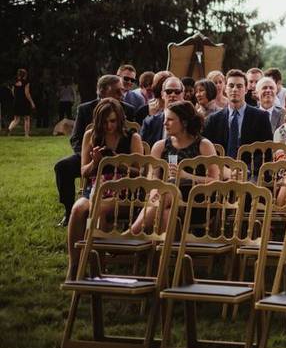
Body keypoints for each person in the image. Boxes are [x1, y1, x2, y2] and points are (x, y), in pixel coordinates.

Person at [65, 98, 143, 280]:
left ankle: (98, 264)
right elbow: (84, 171)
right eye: (105, 122)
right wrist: (96, 162)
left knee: (97, 208)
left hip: (123, 192)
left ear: (120, 119)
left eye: (113, 121)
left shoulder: (132, 137)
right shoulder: (91, 136)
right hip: (94, 188)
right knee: (77, 209)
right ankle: (75, 264)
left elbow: (140, 171)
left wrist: (118, 162)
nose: (109, 126)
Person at [54, 75, 135, 226]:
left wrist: (116, 159)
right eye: (117, 92)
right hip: (91, 152)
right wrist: (89, 153)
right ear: (103, 91)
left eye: (122, 92)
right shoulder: (85, 109)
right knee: (62, 166)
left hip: (122, 157)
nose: (121, 95)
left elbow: (133, 140)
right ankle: (68, 210)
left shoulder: (128, 110)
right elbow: (76, 138)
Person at [132, 101, 217, 236]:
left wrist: (186, 176)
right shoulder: (160, 146)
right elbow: (152, 176)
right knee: (167, 212)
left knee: (170, 190)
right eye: (165, 119)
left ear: (184, 122)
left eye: (170, 120)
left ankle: (132, 233)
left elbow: (215, 181)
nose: (165, 123)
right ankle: (164, 255)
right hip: (162, 199)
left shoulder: (203, 145)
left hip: (196, 201)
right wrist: (154, 190)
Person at [202, 69, 273, 158]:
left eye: (239, 86)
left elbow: (267, 151)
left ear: (246, 89)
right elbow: (207, 152)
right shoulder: (213, 120)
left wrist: (247, 170)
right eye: (231, 86)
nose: (235, 89)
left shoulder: (261, 117)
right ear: (225, 89)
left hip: (250, 169)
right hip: (221, 169)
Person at [140, 76, 186, 146]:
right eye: (168, 91)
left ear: (183, 94)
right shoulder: (150, 123)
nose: (173, 95)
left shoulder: (191, 121)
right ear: (162, 94)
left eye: (177, 92)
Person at [8, 68, 35, 136]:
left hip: (16, 101)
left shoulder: (15, 82)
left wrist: (17, 98)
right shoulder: (26, 82)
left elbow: (13, 92)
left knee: (16, 119)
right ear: (24, 75)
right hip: (24, 102)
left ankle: (9, 129)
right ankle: (26, 135)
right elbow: (27, 93)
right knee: (26, 118)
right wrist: (32, 102)